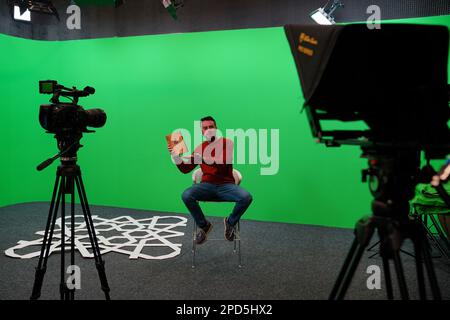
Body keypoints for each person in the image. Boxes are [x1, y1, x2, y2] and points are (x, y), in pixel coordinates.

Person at [168, 116, 253, 245]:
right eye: (205, 128)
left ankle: (230, 222)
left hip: (226, 186)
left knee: (246, 197)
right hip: (206, 186)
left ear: (216, 128)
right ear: (201, 131)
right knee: (186, 195)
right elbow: (185, 169)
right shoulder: (199, 148)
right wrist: (176, 158)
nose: (208, 130)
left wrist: (203, 158)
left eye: (211, 127)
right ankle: (204, 225)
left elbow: (223, 162)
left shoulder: (227, 142)